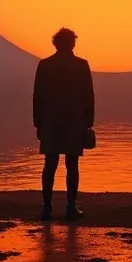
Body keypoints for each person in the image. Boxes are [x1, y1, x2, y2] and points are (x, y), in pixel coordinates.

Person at [32, 27, 95, 221]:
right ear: (73, 43)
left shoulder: (45, 65)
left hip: (50, 120)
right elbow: (88, 96)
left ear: (55, 43)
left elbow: (38, 96)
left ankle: (47, 207)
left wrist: (37, 123)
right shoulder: (81, 65)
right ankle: (70, 206)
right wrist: (89, 121)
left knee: (50, 164)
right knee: (72, 165)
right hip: (74, 120)